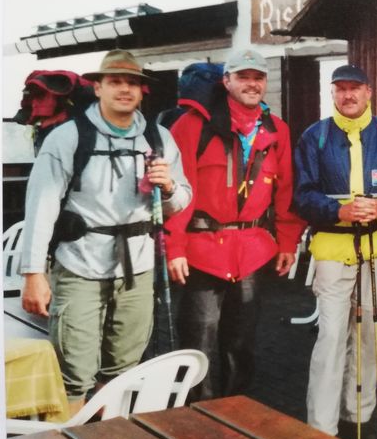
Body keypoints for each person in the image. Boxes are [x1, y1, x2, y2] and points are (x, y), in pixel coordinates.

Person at [19, 49, 192, 414]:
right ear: (98, 88)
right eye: (115, 81)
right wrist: (33, 273)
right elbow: (40, 207)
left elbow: (181, 201)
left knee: (123, 372)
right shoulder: (68, 137)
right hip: (79, 265)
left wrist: (169, 187)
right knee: (73, 373)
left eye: (132, 83)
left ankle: (108, 434)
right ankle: (70, 435)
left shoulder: (158, 138)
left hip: (137, 270)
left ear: (143, 91)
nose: (124, 89)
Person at [165, 48, 305, 400]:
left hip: (252, 251)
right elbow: (177, 194)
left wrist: (287, 243)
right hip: (200, 251)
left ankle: (234, 411)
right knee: (197, 345)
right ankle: (195, 417)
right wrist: (174, 248)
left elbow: (286, 190)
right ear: (226, 81)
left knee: (241, 344)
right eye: (243, 77)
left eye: (258, 77)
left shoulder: (276, 130)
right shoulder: (192, 126)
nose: (252, 84)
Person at [293, 64, 377, 437]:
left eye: (355, 88)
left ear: (368, 92)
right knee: (332, 336)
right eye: (341, 88)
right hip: (333, 251)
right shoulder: (314, 136)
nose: (348, 95)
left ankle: (358, 418)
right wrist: (339, 211)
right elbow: (302, 195)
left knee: (369, 335)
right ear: (332, 93)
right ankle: (321, 427)